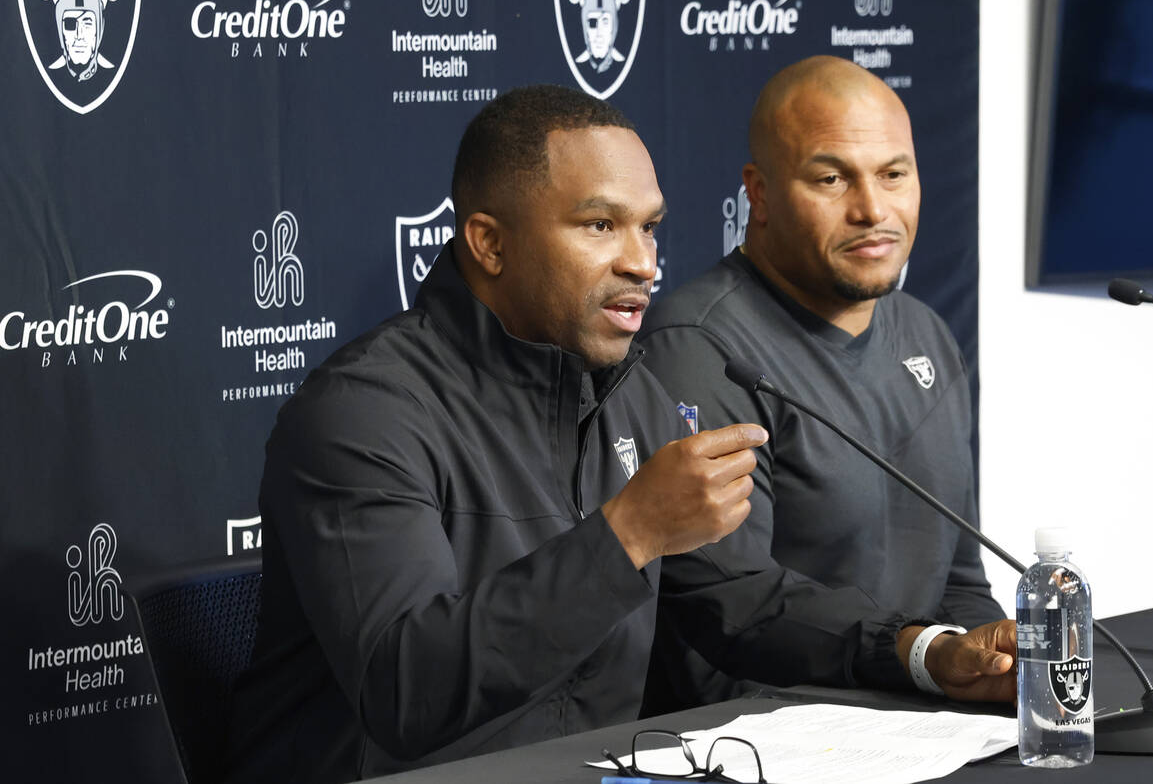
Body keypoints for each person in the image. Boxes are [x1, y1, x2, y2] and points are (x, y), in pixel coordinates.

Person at [224, 85, 768, 783]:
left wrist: (915, 652)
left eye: (650, 226)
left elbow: (735, 607)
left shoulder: (635, 398)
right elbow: (407, 690)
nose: (643, 262)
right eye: (600, 225)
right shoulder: (362, 412)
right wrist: (628, 532)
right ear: (489, 242)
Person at [637, 55, 1013, 712]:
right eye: (832, 178)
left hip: (920, 718)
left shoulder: (927, 334)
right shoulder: (698, 349)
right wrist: (925, 651)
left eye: (894, 174)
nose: (872, 209)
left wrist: (993, 658)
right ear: (758, 192)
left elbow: (957, 578)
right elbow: (734, 603)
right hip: (754, 741)